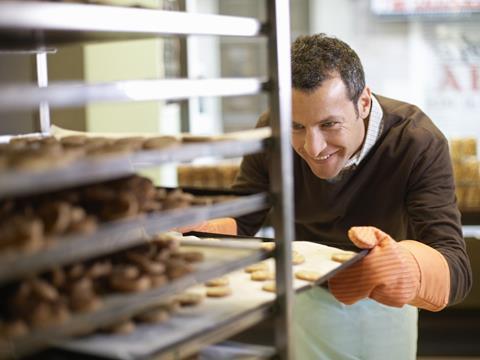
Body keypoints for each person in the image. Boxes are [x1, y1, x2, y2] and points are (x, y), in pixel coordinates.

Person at [181, 34, 472, 359]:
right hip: (306, 295)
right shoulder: (272, 131)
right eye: (297, 127)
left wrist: (403, 268)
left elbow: (456, 268)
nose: (312, 148)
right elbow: (244, 216)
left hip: (386, 303)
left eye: (329, 124)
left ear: (363, 102)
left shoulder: (415, 141)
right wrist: (195, 232)